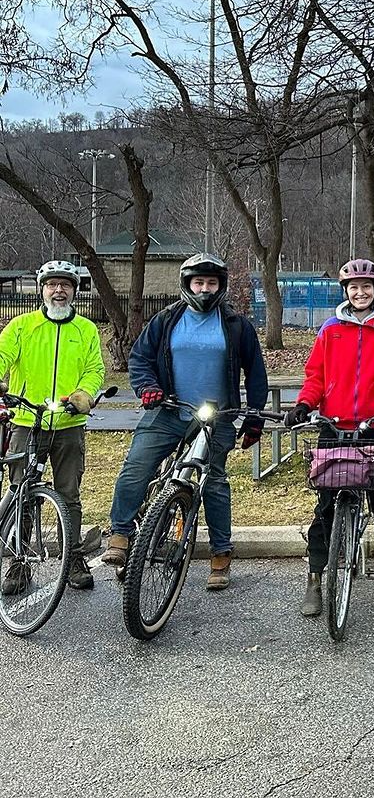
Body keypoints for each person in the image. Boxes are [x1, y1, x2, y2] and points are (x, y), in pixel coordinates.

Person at [102, 253, 268, 590]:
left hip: (216, 417)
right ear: (187, 285)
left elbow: (256, 373)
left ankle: (221, 553)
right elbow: (140, 358)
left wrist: (254, 418)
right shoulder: (166, 319)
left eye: (211, 283)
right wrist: (148, 388)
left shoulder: (237, 325)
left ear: (220, 286)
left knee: (214, 482)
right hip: (168, 411)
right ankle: (120, 534)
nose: (205, 289)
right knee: (136, 467)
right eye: (198, 282)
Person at [284, 258, 374, 617]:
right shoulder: (330, 329)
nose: (361, 293)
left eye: (366, 287)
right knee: (325, 506)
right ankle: (315, 577)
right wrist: (304, 404)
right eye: (354, 287)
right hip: (335, 426)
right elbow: (315, 375)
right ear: (345, 291)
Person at [0, 260, 104, 592]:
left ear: (74, 290)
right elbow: (2, 355)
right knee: (21, 492)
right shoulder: (22, 325)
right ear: (42, 289)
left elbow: (95, 369)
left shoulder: (85, 329)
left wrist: (84, 394)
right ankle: (19, 562)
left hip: (69, 423)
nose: (59, 290)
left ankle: (72, 558)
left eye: (66, 285)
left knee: (68, 494)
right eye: (52, 285)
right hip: (26, 421)